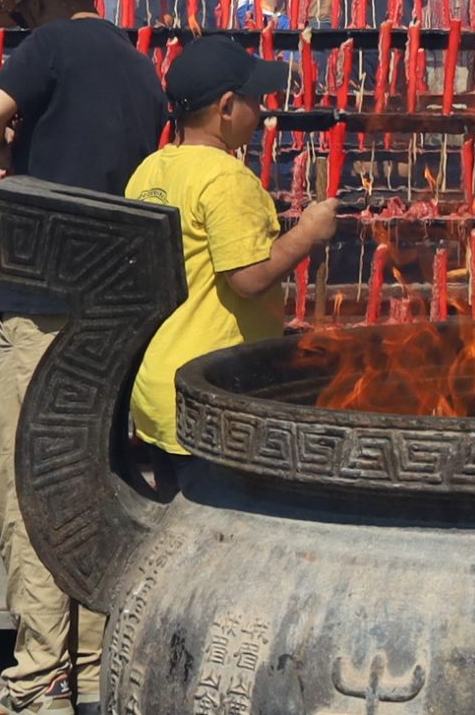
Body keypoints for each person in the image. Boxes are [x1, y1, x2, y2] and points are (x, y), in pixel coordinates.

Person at [0, 0, 167, 715]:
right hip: (114, 299)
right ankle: (85, 667)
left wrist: (7, 154)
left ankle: (38, 673)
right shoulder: (135, 63)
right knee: (88, 484)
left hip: (44, 295)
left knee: (26, 485)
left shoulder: (51, 43)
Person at [126, 33, 341, 449]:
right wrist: (309, 231)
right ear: (226, 107)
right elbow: (248, 278)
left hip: (156, 382)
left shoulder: (150, 170)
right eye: (255, 100)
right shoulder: (225, 178)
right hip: (210, 392)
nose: (260, 112)